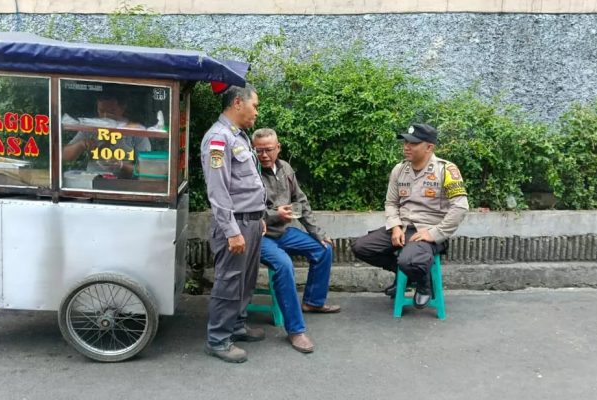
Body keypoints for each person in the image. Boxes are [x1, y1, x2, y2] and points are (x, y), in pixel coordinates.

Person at [352, 123, 469, 308]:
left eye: (413, 143)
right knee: (361, 247)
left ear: (429, 147)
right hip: (403, 227)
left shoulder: (446, 170)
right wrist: (395, 226)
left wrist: (434, 234)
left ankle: (423, 285)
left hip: (428, 232)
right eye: (405, 142)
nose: (406, 147)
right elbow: (391, 203)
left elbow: (460, 207)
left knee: (409, 259)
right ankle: (407, 275)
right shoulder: (399, 170)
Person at [252, 128, 339, 354]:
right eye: (258, 150)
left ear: (278, 148)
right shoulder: (250, 173)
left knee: (323, 248)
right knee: (284, 265)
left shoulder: (286, 169)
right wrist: (274, 214)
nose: (263, 154)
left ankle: (313, 301)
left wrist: (316, 232)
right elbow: (249, 211)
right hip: (261, 236)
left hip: (284, 232)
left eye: (268, 149)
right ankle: (295, 330)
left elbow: (301, 201)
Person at [200, 84, 267, 363]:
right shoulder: (218, 138)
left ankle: (236, 326)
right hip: (235, 225)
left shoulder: (239, 136)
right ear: (238, 103)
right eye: (255, 106)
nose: (257, 112)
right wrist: (231, 231)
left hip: (251, 222)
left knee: (246, 280)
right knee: (229, 282)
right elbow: (218, 190)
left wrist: (259, 216)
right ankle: (218, 339)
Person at [62, 91, 150, 178]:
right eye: (101, 111)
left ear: (123, 108)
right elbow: (65, 156)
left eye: (111, 112)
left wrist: (122, 166)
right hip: (93, 181)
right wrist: (80, 144)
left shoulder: (136, 131)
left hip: (123, 183)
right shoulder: (91, 127)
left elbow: (147, 169)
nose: (105, 116)